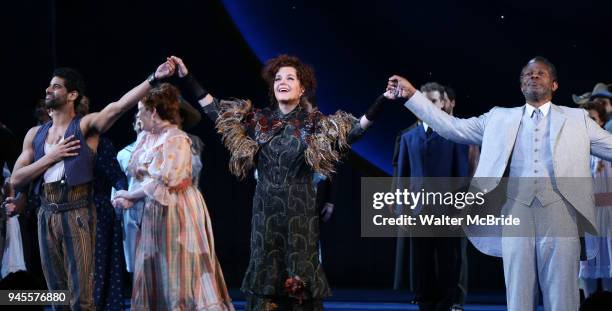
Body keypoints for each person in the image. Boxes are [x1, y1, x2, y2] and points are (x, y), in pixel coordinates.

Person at [387, 57, 612, 311]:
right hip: (516, 215)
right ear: (521, 86)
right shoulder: (498, 118)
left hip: (562, 217)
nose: (534, 77)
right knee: (518, 298)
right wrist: (412, 95)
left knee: (563, 299)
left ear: (555, 84)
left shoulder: (577, 119)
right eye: (528, 74)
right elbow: (452, 128)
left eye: (541, 73)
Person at [171, 54, 388, 310]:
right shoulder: (258, 121)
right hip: (265, 216)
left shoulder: (315, 123)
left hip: (300, 217)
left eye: (290, 78)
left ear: (302, 87)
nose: (282, 82)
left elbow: (354, 131)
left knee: (300, 282)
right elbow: (215, 109)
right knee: (265, 282)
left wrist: (383, 99)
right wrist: (187, 76)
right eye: (277, 78)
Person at [9, 61, 175, 310]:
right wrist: (51, 158)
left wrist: (153, 78)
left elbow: (119, 107)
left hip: (76, 211)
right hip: (46, 214)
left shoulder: (85, 127)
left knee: (81, 296)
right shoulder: (35, 134)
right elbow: (16, 179)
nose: (48, 90)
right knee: (56, 295)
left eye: (56, 87)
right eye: (49, 85)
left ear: (72, 95)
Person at [112, 83, 233, 310]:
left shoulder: (176, 139)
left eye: (141, 110)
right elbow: (142, 177)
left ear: (154, 112)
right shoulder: (147, 139)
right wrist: (130, 197)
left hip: (178, 208)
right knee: (158, 267)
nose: (138, 115)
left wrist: (131, 195)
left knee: (179, 267)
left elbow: (165, 181)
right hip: (155, 210)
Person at [396, 82, 469, 311]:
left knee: (448, 261)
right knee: (421, 261)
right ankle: (425, 303)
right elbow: (403, 178)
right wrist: (402, 209)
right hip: (418, 211)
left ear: (443, 104)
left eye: (434, 101)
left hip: (447, 211)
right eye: (424, 101)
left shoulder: (454, 135)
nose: (428, 106)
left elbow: (461, 176)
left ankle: (446, 304)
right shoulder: (409, 137)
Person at [579, 101, 612, 297]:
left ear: (600, 123)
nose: (588, 123)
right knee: (587, 269)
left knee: (609, 268)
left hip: (608, 216)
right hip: (586, 216)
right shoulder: (574, 150)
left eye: (592, 119)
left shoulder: (608, 146)